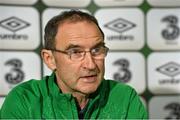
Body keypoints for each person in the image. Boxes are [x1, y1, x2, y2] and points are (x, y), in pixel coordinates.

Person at [0, 10, 148, 119]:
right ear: (50, 59)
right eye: (76, 52)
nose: (90, 65)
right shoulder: (25, 100)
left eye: (97, 50)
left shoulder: (124, 98)